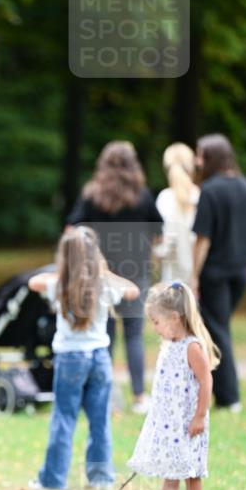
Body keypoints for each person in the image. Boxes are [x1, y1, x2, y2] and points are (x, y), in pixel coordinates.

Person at [26, 227, 139, 490]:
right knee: (100, 420)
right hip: (100, 357)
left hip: (69, 359)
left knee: (64, 419)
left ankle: (53, 480)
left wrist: (65, 270)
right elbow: (132, 290)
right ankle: (101, 478)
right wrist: (104, 271)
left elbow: (33, 282)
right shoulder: (104, 285)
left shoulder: (58, 284)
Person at [66, 140, 163, 414]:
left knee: (102, 333)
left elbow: (72, 228)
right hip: (136, 273)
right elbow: (159, 232)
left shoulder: (92, 195)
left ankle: (104, 395)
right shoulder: (143, 196)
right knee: (133, 334)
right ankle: (139, 397)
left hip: (99, 274)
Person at [129, 281, 219, 490]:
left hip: (190, 420)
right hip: (171, 421)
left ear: (174, 318)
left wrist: (200, 416)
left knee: (191, 470)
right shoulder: (169, 346)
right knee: (172, 467)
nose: (154, 327)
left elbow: (205, 380)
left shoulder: (191, 347)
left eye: (156, 322)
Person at [192, 134, 246, 410]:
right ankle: (220, 393)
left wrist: (193, 274)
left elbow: (203, 239)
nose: (198, 161)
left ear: (211, 157)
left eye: (200, 155)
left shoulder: (210, 191)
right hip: (240, 273)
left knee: (218, 332)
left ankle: (230, 397)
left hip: (215, 274)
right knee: (217, 329)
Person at [154, 143, 199, 284]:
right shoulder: (201, 196)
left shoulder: (165, 198)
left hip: (171, 276)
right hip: (198, 275)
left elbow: (162, 243)